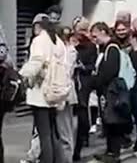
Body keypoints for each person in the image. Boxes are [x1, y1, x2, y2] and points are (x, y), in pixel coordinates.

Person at [19, 14, 69, 163]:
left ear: (37, 26)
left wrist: (21, 75)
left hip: (41, 93)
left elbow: (36, 62)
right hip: (55, 92)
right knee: (53, 132)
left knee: (44, 134)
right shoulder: (58, 42)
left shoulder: (39, 40)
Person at [90, 22, 132, 163]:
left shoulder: (112, 48)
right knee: (108, 120)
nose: (94, 39)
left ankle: (114, 153)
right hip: (106, 91)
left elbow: (110, 71)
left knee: (113, 120)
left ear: (103, 31)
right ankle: (110, 151)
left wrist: (98, 81)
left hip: (111, 91)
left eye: (95, 36)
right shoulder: (105, 48)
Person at [71, 17, 98, 161]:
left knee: (82, 118)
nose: (83, 33)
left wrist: (83, 67)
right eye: (80, 29)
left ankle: (78, 148)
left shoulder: (90, 46)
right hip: (70, 83)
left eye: (85, 30)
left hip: (83, 84)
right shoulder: (69, 43)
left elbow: (92, 66)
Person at [57, 28, 79, 163]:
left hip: (65, 93)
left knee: (65, 131)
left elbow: (65, 72)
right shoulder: (65, 51)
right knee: (63, 130)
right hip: (60, 93)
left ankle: (67, 159)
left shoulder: (69, 51)